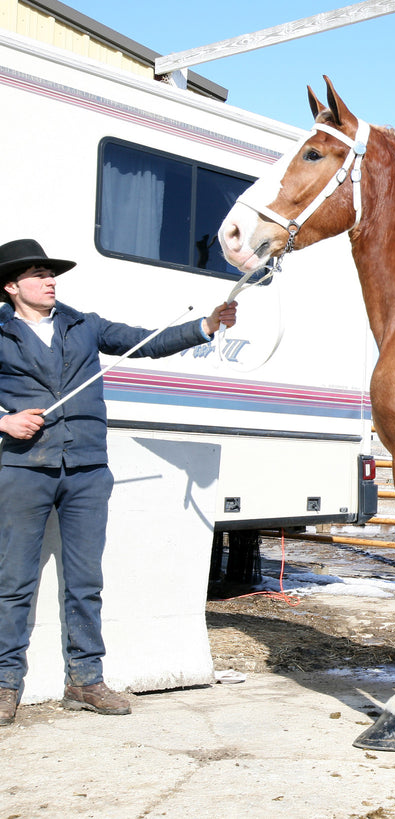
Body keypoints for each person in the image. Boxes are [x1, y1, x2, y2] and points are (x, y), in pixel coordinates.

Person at [0, 238, 238, 726]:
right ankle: (5, 685)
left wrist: (206, 326)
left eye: (52, 274)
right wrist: (2, 422)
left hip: (87, 470)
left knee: (86, 581)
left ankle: (85, 680)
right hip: (24, 468)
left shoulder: (82, 324)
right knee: (13, 583)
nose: (50, 282)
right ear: (10, 286)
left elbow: (147, 341)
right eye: (38, 275)